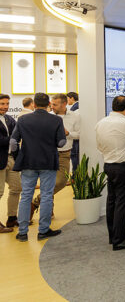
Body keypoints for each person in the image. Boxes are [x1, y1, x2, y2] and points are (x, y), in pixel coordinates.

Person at [11, 93, 66, 242]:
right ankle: (43, 231)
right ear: (48, 104)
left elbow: (13, 142)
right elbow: (61, 142)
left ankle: (22, 232)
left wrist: (17, 157)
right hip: (48, 162)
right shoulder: (56, 120)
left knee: (26, 196)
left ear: (34, 104)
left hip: (28, 162)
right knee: (47, 195)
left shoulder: (23, 119)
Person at [96, 95, 125, 251]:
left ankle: (115, 235)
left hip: (109, 165)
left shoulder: (101, 123)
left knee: (112, 202)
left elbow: (99, 146)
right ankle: (119, 240)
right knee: (122, 204)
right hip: (124, 168)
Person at [31, 94, 80, 222]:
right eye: (51, 104)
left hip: (64, 154)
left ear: (64, 104)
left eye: (54, 104)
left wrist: (68, 133)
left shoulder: (75, 116)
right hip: (48, 153)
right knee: (48, 182)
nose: (51, 106)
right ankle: (48, 212)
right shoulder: (48, 116)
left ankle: (35, 202)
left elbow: (79, 134)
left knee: (61, 182)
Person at [0, 94, 19, 232]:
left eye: (7, 104)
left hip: (11, 158)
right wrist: (14, 137)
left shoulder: (9, 118)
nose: (5, 107)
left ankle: (12, 218)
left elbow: (17, 135)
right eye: (2, 104)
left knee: (17, 187)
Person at [67, 92, 79, 174]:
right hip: (75, 136)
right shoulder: (76, 106)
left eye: (67, 99)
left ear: (72, 98)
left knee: (75, 156)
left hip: (75, 137)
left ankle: (75, 176)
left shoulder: (75, 108)